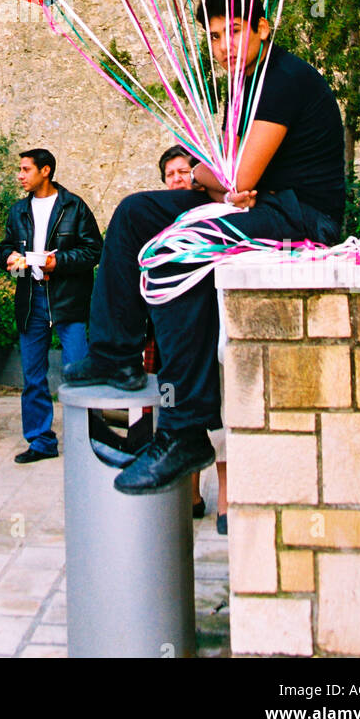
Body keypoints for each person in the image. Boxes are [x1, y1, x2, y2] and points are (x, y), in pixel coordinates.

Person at [64, 0, 345, 499]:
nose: (223, 45)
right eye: (214, 36)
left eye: (234, 30)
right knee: (135, 214)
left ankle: (184, 428)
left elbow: (236, 173)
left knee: (181, 247)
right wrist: (215, 179)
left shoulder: (282, 80)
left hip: (303, 217)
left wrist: (206, 174)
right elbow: (230, 183)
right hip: (261, 207)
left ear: (262, 28)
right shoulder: (243, 89)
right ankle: (116, 355)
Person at [0, 148, 103, 463]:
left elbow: (93, 251)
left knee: (78, 371)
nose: (20, 175)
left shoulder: (74, 206)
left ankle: (86, 440)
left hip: (68, 300)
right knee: (33, 375)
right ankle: (41, 441)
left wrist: (58, 262)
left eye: (26, 169)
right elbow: (5, 247)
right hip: (31, 300)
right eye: (20, 169)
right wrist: (9, 259)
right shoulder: (18, 211)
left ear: (45, 171)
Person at [156, 149, 226, 528]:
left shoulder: (218, 217)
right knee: (174, 408)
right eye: (171, 173)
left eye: (184, 171)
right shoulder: (156, 219)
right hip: (170, 341)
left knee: (220, 413)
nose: (178, 179)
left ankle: (228, 500)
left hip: (211, 330)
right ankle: (191, 494)